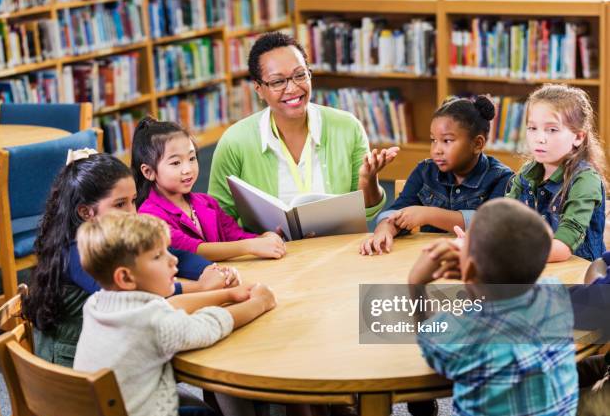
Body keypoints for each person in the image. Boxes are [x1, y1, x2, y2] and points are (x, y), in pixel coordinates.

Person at [73, 212, 276, 416]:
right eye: (158, 256)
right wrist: (259, 304)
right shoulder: (152, 323)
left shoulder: (99, 303)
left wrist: (228, 295)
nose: (174, 261)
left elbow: (168, 307)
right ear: (125, 277)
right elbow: (208, 326)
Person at [409, 198, 589, 416]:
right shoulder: (556, 296)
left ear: (471, 267)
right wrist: (476, 277)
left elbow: (430, 343)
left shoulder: (462, 332)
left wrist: (415, 284)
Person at [24, 151, 237, 368]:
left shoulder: (110, 235)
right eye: (119, 205)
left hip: (110, 357)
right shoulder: (77, 251)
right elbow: (135, 295)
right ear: (86, 213)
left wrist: (209, 269)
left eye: (133, 201)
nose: (131, 213)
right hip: (76, 373)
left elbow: (171, 253)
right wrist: (201, 287)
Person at [208, 31, 398, 225]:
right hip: (268, 252)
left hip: (336, 248)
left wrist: (368, 178)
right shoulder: (235, 141)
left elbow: (367, 212)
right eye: (278, 81)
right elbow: (218, 219)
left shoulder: (348, 127)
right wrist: (255, 244)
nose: (292, 89)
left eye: (300, 75)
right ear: (258, 88)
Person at [360, 95, 513, 255]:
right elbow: (394, 212)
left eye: (447, 141)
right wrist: (383, 230)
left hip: (476, 262)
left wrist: (428, 214)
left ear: (477, 144)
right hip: (430, 259)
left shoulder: (502, 178)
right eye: (433, 140)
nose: (436, 150)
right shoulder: (424, 171)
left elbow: (490, 224)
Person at [134, 117, 287, 261]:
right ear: (149, 172)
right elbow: (193, 250)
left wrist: (263, 238)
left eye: (192, 158)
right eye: (175, 163)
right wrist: (250, 246)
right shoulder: (148, 217)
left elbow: (235, 235)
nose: (187, 169)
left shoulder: (207, 202)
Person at [506, 84, 607, 262]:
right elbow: (502, 218)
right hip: (536, 268)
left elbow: (562, 247)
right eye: (532, 128)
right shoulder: (527, 173)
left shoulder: (585, 180)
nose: (539, 138)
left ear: (578, 137)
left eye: (552, 130)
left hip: (580, 277)